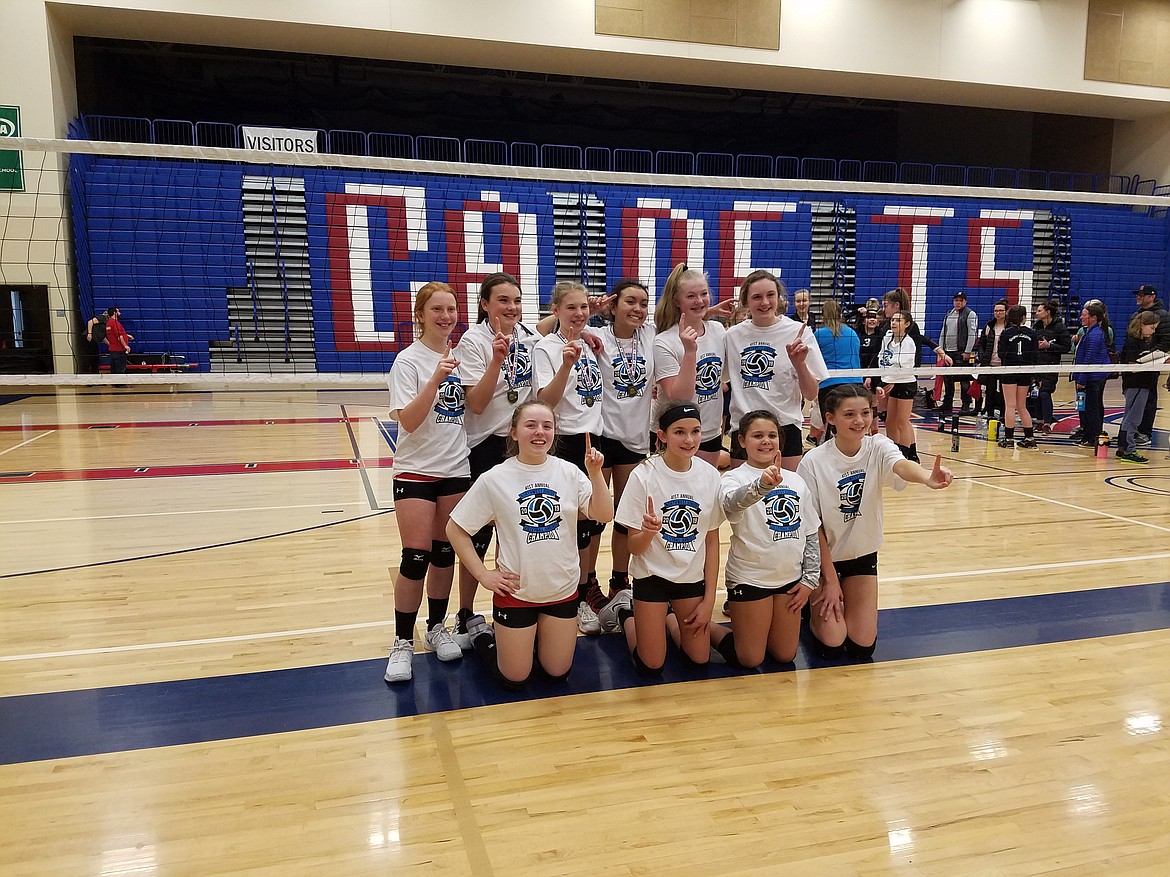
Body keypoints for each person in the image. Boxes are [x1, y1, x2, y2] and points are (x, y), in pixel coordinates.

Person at [446, 401, 613, 689]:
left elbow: (604, 514)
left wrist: (596, 473)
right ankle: (482, 635)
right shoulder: (495, 478)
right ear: (513, 433)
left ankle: (531, 640)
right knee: (515, 679)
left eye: (547, 426)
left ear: (554, 433)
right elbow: (455, 528)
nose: (540, 432)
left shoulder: (570, 472)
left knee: (556, 674)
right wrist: (484, 575)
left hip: (561, 590)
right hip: (517, 593)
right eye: (531, 425)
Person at [797, 384, 953, 661]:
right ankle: (810, 610)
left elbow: (900, 465)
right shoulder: (813, 462)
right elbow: (813, 528)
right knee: (833, 643)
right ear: (830, 418)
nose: (859, 421)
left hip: (861, 556)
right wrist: (830, 581)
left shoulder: (878, 446)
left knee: (862, 645)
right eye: (849, 415)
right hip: (823, 561)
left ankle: (840, 601)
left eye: (865, 413)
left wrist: (926, 476)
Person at [383, 282, 470, 684]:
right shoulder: (408, 361)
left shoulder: (462, 354)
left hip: (455, 469)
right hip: (416, 470)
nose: (446, 316)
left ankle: (437, 627)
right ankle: (402, 641)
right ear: (420, 315)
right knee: (414, 557)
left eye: (451, 309)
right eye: (437, 309)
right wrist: (434, 380)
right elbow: (409, 421)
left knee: (443, 553)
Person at [598, 402, 725, 675]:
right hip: (651, 578)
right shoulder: (643, 476)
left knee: (699, 659)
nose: (689, 439)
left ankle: (668, 616)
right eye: (679, 432)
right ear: (663, 435)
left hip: (690, 580)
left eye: (695, 431)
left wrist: (709, 600)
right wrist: (648, 533)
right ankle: (625, 612)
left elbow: (712, 542)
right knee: (651, 665)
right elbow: (633, 546)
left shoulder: (710, 476)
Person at [451, 272, 539, 649]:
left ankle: (517, 600)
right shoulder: (473, 341)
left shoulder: (528, 337)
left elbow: (550, 323)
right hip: (485, 446)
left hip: (519, 445)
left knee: (521, 525)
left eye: (517, 301)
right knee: (479, 533)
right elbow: (476, 403)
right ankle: (466, 613)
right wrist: (495, 361)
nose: (512, 308)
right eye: (503, 301)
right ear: (485, 305)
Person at [709, 410, 821, 668]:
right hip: (750, 579)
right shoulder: (733, 478)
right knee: (749, 659)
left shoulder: (795, 480)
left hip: (789, 581)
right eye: (757, 436)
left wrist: (809, 580)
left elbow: (811, 532)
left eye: (772, 435)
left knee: (784, 655)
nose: (766, 441)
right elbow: (731, 505)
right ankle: (708, 627)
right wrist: (761, 486)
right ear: (741, 441)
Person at [534, 280, 607, 635]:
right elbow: (545, 400)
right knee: (572, 525)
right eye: (571, 308)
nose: (579, 314)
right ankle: (569, 598)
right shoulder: (546, 348)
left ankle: (580, 592)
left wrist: (586, 334)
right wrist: (565, 365)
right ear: (556, 311)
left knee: (594, 523)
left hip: (594, 438)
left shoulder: (590, 341)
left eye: (583, 307)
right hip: (566, 441)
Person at [589, 279, 656, 611]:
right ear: (613, 306)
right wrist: (587, 311)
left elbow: (683, 312)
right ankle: (587, 582)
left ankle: (619, 579)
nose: (638, 309)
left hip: (634, 439)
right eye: (630, 301)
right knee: (596, 517)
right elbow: (553, 331)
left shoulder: (652, 336)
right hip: (602, 435)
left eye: (643, 303)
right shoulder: (597, 337)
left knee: (626, 517)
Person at [724, 269, 827, 471]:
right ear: (745, 301)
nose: (765, 303)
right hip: (745, 428)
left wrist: (800, 364)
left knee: (784, 495)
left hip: (784, 428)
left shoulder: (798, 332)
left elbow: (812, 393)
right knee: (743, 499)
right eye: (757, 297)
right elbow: (717, 379)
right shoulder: (732, 336)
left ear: (778, 297)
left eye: (770, 295)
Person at [652, 264, 727, 467]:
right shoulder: (665, 341)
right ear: (676, 300)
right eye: (691, 296)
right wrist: (690, 351)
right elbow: (679, 397)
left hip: (709, 429)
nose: (699, 300)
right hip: (674, 431)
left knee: (704, 492)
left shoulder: (718, 330)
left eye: (703, 294)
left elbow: (724, 376)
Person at [1117, 311, 1166, 464]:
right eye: (1151, 327)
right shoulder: (1132, 342)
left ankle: (1123, 448)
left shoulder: (1146, 342)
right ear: (1142, 325)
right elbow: (1131, 366)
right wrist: (1151, 363)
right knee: (1133, 418)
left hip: (1144, 384)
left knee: (1129, 417)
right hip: (1136, 384)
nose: (1153, 331)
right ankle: (1129, 450)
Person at [812, 299, 860, 443]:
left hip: (830, 384)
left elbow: (812, 359)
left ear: (823, 315)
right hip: (855, 383)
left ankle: (831, 456)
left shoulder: (819, 334)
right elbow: (857, 356)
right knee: (852, 424)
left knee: (831, 424)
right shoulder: (852, 333)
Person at [875, 311, 920, 460]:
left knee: (902, 421)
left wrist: (890, 376)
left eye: (898, 320)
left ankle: (906, 454)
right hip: (891, 380)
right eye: (893, 320)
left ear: (907, 324)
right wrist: (884, 378)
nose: (894, 323)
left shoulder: (908, 342)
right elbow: (882, 357)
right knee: (890, 421)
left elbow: (904, 365)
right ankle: (893, 451)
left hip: (905, 382)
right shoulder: (887, 338)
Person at [1130, 285, 1170, 448]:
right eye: (1138, 294)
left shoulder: (1163, 316)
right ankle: (1134, 431)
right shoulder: (1136, 315)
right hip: (1136, 365)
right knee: (1134, 399)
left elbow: (1165, 342)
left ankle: (1144, 432)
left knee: (1148, 398)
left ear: (1151, 297)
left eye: (1142, 295)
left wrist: (1147, 357)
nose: (1138, 297)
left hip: (1150, 364)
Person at [1072, 301, 1114, 450]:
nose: (1081, 318)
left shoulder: (1095, 334)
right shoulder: (1091, 331)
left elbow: (1089, 359)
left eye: (1084, 315)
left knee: (1092, 407)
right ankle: (1089, 434)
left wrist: (1081, 380)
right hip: (1094, 375)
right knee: (1091, 406)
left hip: (1093, 377)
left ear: (1093, 317)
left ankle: (1095, 437)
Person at [997, 305, 1039, 449]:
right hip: (1025, 371)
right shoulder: (1032, 333)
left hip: (1009, 370)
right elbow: (1035, 355)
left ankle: (1009, 439)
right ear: (1023, 317)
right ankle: (1030, 438)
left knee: (1010, 405)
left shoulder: (1006, 333)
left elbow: (1001, 353)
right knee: (1022, 405)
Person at [1031, 300, 1071, 434]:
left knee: (1044, 393)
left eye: (1039, 310)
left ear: (1047, 312)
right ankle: (1039, 421)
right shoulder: (1036, 327)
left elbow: (1067, 347)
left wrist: (1049, 346)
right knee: (1035, 394)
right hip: (1036, 366)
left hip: (1051, 366)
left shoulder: (1059, 328)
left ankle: (1047, 423)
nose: (1037, 313)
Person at [937, 292, 978, 415]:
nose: (958, 303)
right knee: (948, 379)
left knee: (964, 379)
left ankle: (966, 404)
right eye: (956, 300)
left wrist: (967, 351)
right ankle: (947, 404)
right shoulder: (949, 314)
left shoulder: (970, 314)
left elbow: (972, 334)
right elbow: (943, 333)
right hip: (948, 352)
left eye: (961, 301)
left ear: (965, 302)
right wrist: (941, 351)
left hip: (961, 352)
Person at [975, 299, 1009, 419]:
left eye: (1000, 311)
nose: (998, 313)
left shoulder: (1010, 327)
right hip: (990, 364)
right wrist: (982, 357)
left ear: (1006, 312)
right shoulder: (989, 326)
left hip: (1005, 365)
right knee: (990, 392)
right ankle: (990, 414)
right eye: (996, 311)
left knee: (1005, 392)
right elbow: (981, 344)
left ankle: (1005, 415)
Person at [104, 306, 133, 375]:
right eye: (118, 311)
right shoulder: (115, 323)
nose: (120, 313)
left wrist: (127, 336)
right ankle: (120, 384)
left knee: (114, 367)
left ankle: (115, 383)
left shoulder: (108, 323)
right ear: (115, 313)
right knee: (120, 367)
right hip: (119, 349)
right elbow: (119, 336)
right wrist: (125, 346)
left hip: (113, 349)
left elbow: (114, 334)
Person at [83, 309, 109, 373]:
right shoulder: (102, 317)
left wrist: (110, 344)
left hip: (95, 340)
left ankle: (94, 376)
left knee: (95, 358)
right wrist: (89, 333)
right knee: (90, 358)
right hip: (90, 339)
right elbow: (90, 322)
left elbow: (102, 336)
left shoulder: (107, 323)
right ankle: (86, 375)